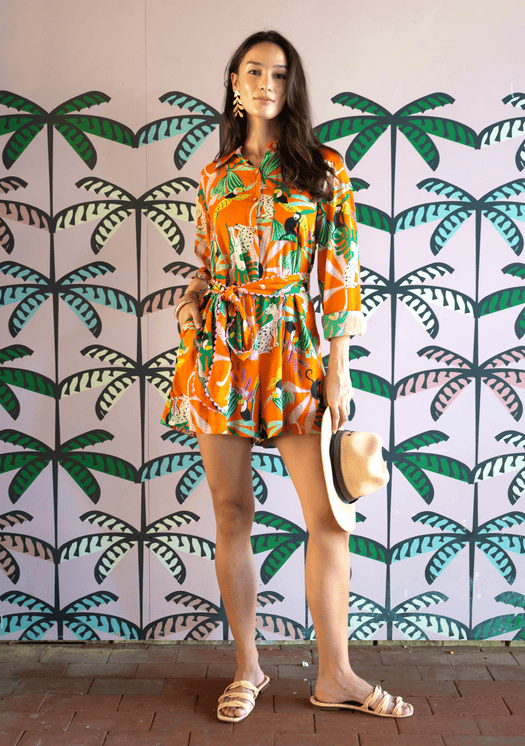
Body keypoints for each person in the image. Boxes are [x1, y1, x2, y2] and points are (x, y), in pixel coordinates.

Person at [161, 30, 413, 722]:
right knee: (231, 512)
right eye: (254, 71)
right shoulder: (214, 176)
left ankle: (336, 675)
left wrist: (339, 365)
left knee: (328, 517)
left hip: (294, 352)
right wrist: (189, 307)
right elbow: (206, 266)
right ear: (235, 84)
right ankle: (248, 667)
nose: (266, 83)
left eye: (278, 73)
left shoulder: (323, 169)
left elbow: (340, 272)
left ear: (291, 85)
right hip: (221, 355)